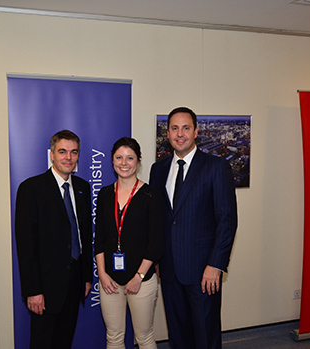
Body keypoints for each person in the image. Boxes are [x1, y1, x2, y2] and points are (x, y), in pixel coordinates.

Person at [149, 107, 238, 349]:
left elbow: (227, 221)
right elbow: (158, 218)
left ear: (196, 131)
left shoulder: (216, 167)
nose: (180, 134)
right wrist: (157, 257)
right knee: (178, 337)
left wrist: (216, 265)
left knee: (205, 336)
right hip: (168, 271)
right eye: (174, 128)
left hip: (203, 272)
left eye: (186, 128)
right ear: (167, 134)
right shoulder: (158, 170)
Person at [15, 130, 93, 349]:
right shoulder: (31, 189)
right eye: (62, 152)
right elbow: (25, 244)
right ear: (51, 154)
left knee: (64, 341)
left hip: (75, 281)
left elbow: (85, 236)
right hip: (45, 287)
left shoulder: (82, 188)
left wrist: (86, 277)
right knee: (42, 343)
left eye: (74, 152)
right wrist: (32, 290)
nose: (68, 157)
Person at [95, 137, 164, 349]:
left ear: (138, 161)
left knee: (143, 337)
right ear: (112, 161)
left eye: (130, 158)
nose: (124, 163)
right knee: (114, 337)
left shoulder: (151, 195)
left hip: (141, 281)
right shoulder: (105, 194)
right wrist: (103, 274)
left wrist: (139, 277)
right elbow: (99, 239)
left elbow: (156, 244)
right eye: (119, 157)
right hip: (111, 282)